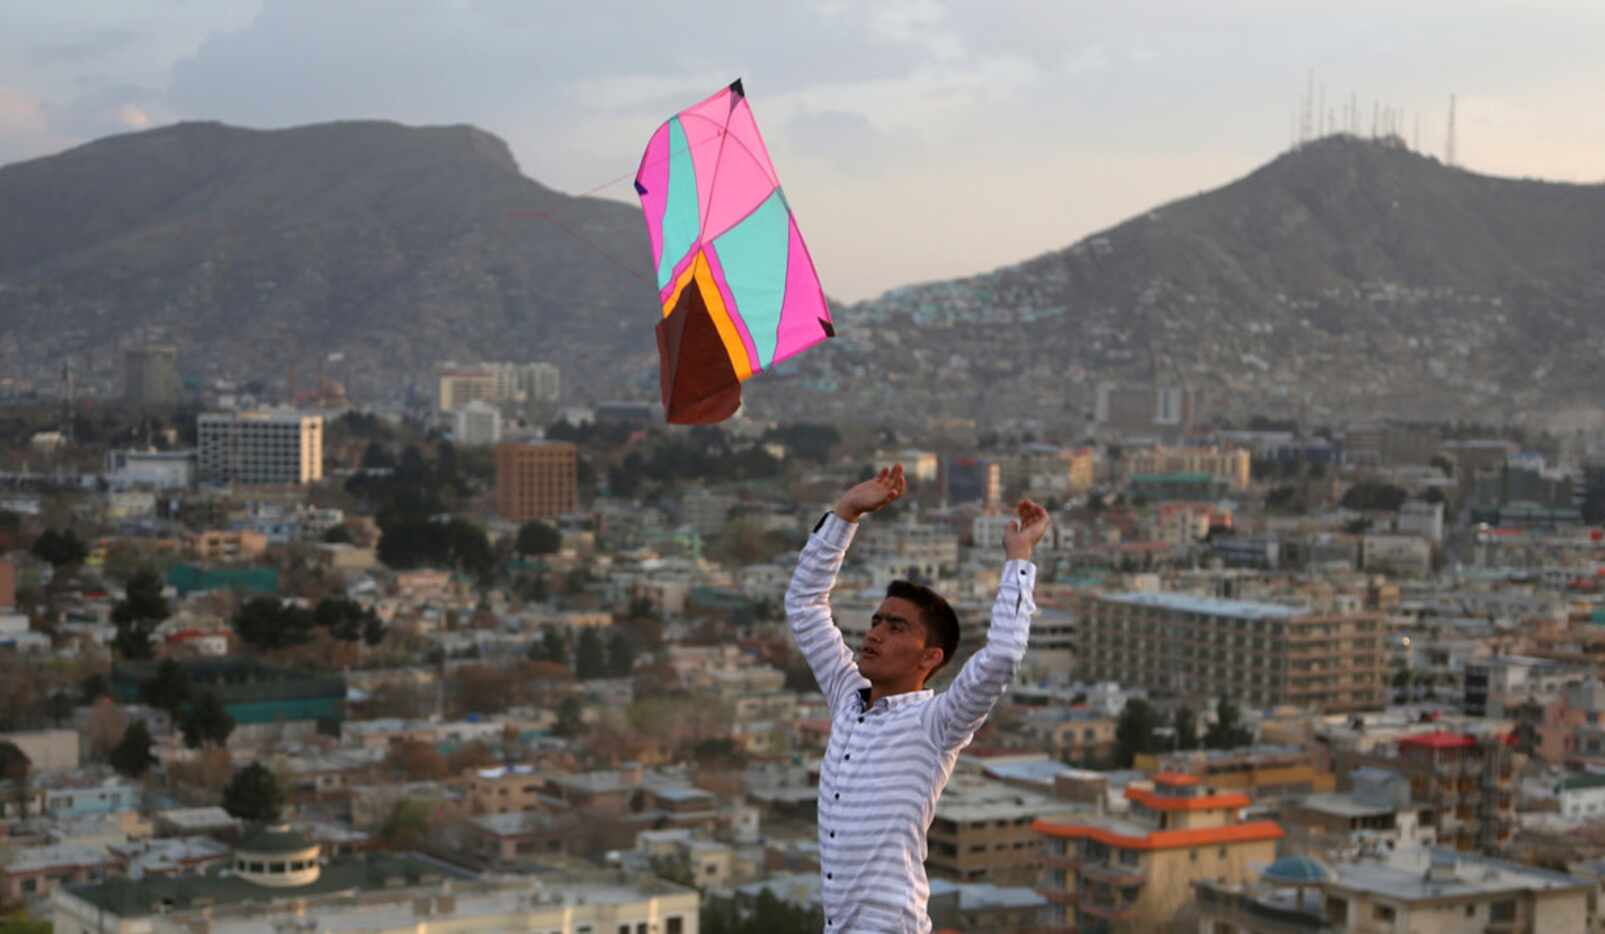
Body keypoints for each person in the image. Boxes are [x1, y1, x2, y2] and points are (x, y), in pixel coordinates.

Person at [786, 463, 1049, 932]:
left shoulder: (936, 723)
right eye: (876, 621)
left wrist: (1019, 559)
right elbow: (805, 605)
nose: (875, 635)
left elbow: (1004, 654)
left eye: (896, 626)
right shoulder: (849, 697)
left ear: (930, 656)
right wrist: (846, 513)